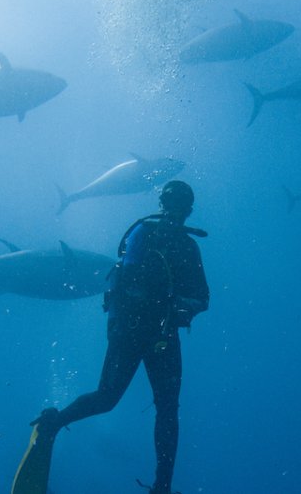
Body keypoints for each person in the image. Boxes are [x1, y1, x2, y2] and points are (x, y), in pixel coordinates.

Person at [32, 180, 210, 494]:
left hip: (157, 334)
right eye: (172, 204)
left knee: (160, 408)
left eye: (177, 206)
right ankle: (53, 422)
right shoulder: (146, 234)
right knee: (114, 401)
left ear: (184, 209)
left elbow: (202, 299)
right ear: (168, 205)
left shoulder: (179, 243)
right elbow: (129, 281)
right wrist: (167, 304)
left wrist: (176, 306)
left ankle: (162, 487)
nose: (174, 211)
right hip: (136, 331)